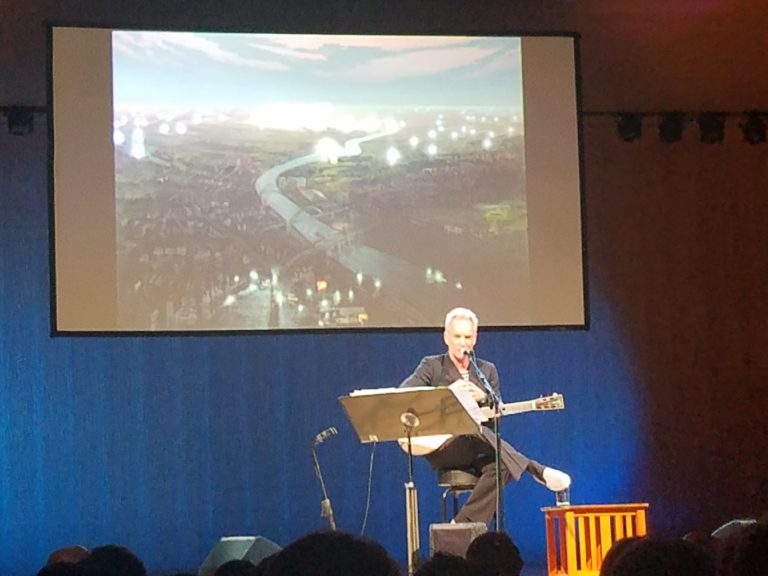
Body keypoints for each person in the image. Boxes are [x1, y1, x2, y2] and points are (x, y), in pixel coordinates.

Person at [399, 307, 571, 524]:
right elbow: (404, 394)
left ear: (475, 339)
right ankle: (535, 469)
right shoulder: (432, 366)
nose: (463, 342)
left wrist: (483, 397)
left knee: (503, 465)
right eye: (457, 336)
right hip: (443, 445)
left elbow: (496, 419)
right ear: (446, 337)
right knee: (473, 430)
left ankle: (461, 525)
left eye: (468, 337)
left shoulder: (486, 370)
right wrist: (447, 395)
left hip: (478, 444)